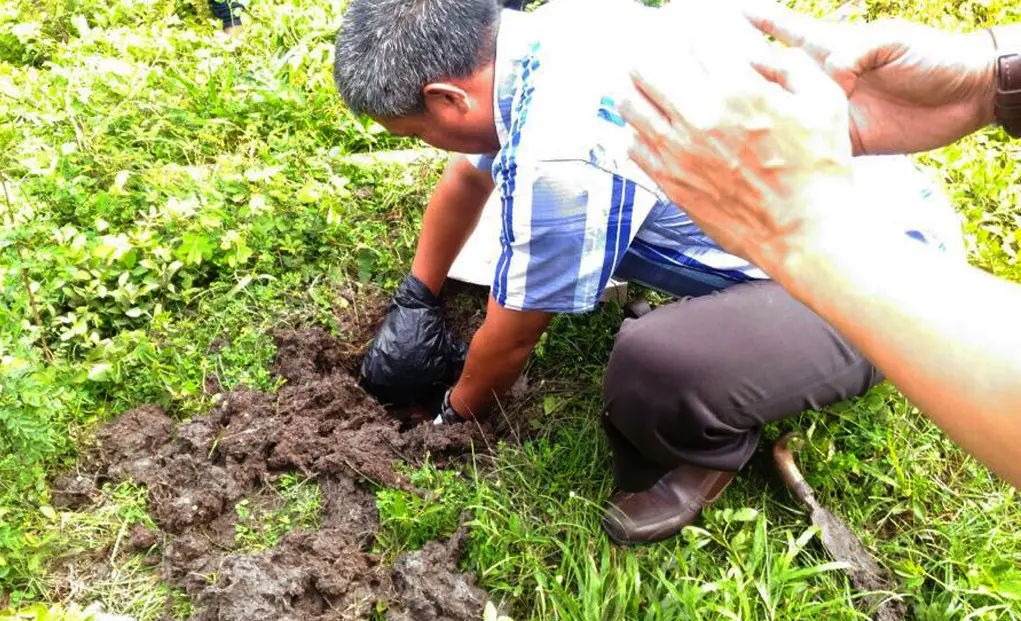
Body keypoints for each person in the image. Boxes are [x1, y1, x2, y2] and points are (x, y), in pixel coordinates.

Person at [333, 0, 964, 545]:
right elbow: (469, 173)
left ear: (447, 98)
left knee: (653, 364)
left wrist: (453, 417)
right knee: (520, 220)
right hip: (858, 196)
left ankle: (706, 452)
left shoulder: (557, 157)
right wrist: (418, 295)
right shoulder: (538, 40)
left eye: (415, 132)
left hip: (884, 283)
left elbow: (516, 334)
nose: (425, 144)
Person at [616, 0, 1021, 489]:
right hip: (885, 199)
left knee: (655, 367)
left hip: (905, 258)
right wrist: (990, 79)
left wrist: (805, 225)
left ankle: (709, 458)